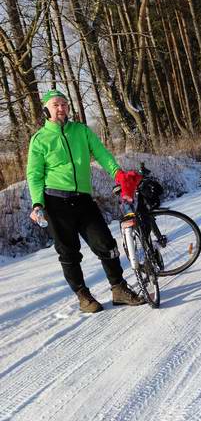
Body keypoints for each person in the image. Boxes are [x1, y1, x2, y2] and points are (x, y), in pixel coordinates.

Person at [26, 89, 144, 312]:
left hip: (83, 199)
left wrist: (117, 173)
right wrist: (37, 203)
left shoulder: (81, 131)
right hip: (55, 203)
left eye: (64, 104)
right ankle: (83, 296)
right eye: (56, 105)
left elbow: (101, 153)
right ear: (46, 110)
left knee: (106, 244)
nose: (61, 108)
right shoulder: (40, 139)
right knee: (68, 253)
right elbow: (34, 174)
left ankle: (118, 288)